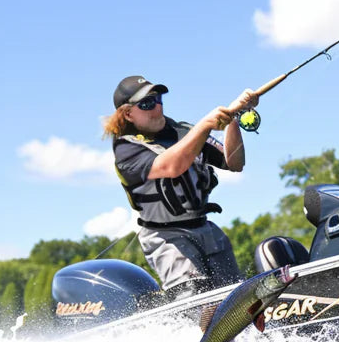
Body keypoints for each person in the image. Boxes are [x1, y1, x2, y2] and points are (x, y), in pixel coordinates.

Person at [103, 76, 259, 299]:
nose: (156, 108)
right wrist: (205, 125)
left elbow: (234, 163)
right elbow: (172, 166)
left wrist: (232, 118)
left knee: (236, 298)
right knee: (196, 301)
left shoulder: (184, 131)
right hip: (166, 238)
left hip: (206, 230)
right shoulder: (126, 149)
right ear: (128, 114)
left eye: (158, 100)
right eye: (146, 104)